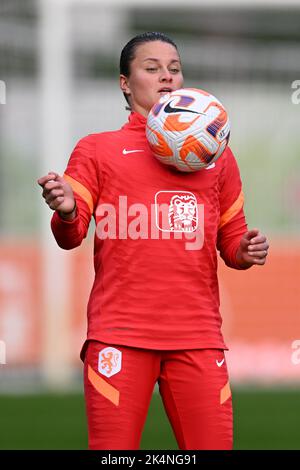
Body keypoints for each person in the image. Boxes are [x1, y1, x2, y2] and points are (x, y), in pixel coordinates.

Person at [37, 31, 269, 450]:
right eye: (152, 68)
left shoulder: (214, 153)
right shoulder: (97, 150)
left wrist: (246, 250)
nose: (167, 77)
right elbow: (69, 236)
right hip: (119, 336)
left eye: (174, 69)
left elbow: (232, 242)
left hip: (198, 337)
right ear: (125, 83)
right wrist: (68, 209)